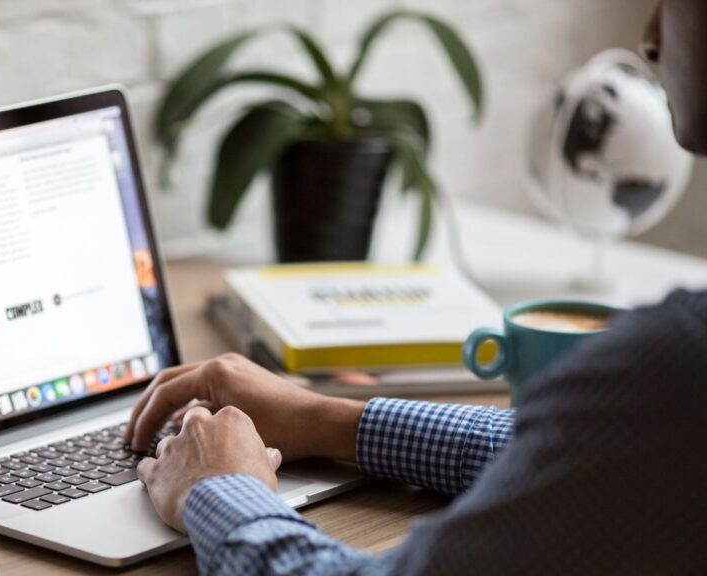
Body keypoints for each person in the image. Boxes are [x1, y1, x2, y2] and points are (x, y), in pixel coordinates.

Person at [124, 1, 707, 573]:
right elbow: (599, 455)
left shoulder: (675, 363)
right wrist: (329, 420)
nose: (650, 35)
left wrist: (221, 491)